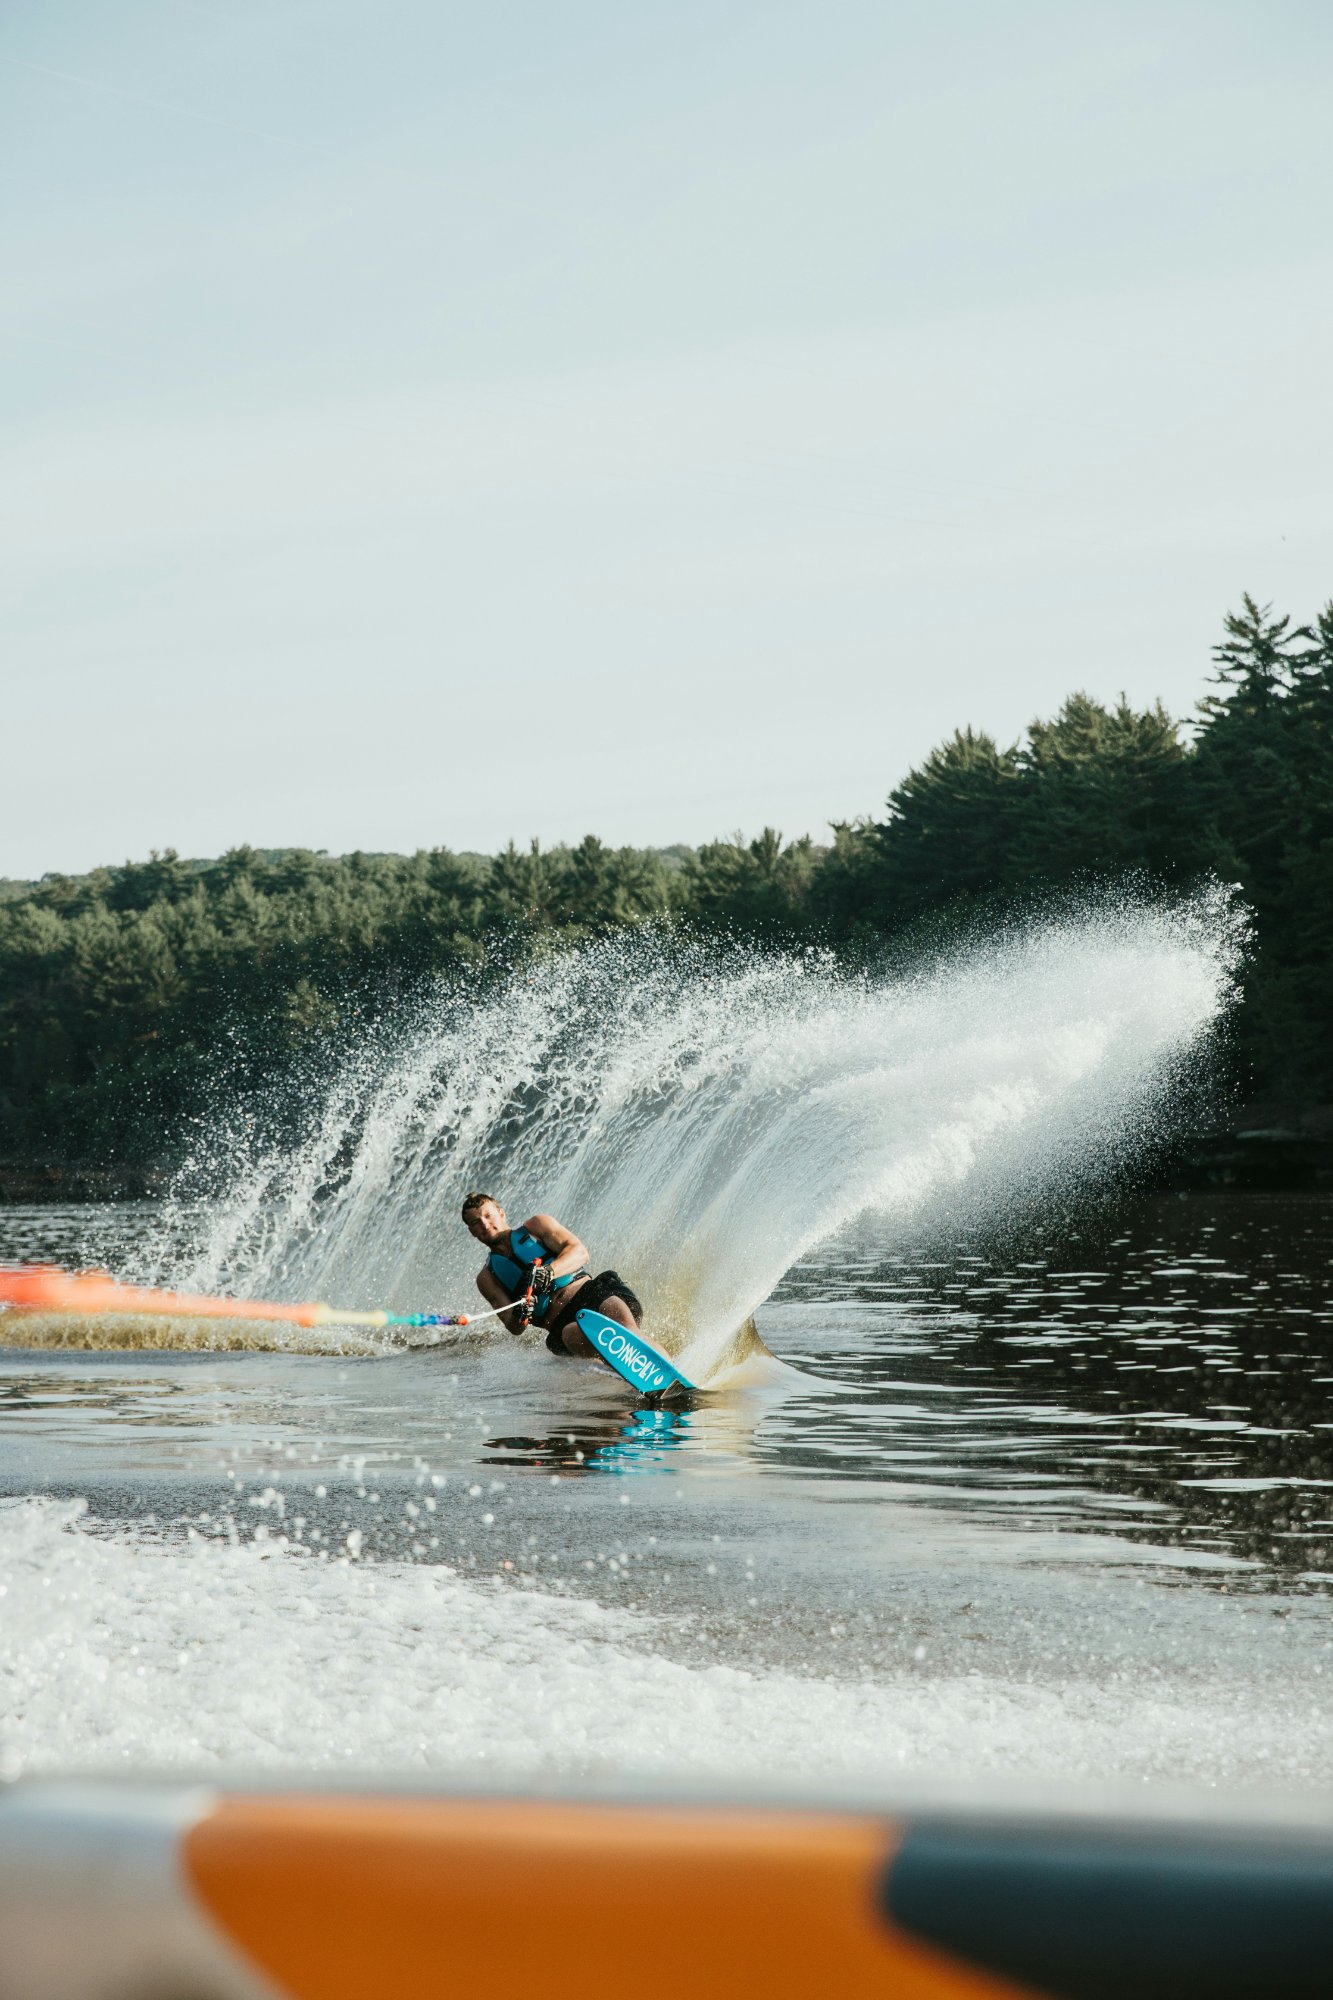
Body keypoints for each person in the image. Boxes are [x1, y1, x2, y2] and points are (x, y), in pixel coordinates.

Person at [460, 1192, 645, 1358]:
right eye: (476, 1222)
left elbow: (580, 1252)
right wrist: (520, 1315)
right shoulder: (487, 1278)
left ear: (501, 1213)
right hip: (561, 1325)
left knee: (619, 1320)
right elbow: (513, 1326)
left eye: (488, 1215)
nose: (484, 1224)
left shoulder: (536, 1226)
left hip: (592, 1294)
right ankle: (637, 1379)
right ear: (471, 1231)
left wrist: (549, 1271)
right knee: (571, 1335)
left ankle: (667, 1375)